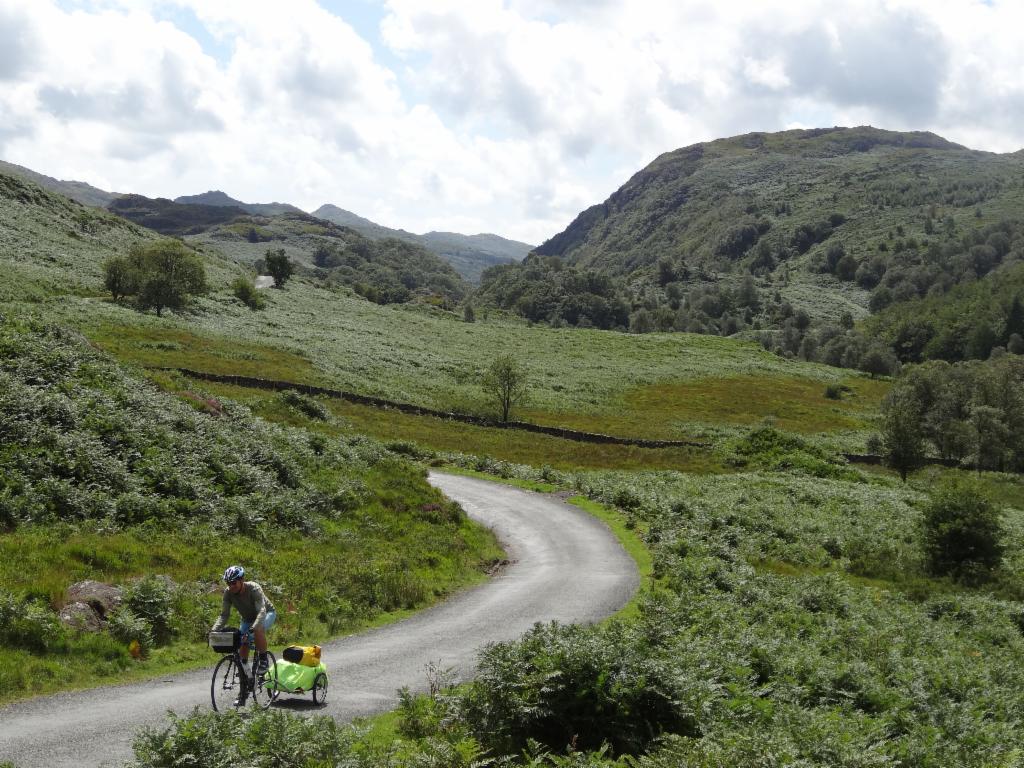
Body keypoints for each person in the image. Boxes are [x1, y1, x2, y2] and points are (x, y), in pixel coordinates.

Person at [211, 565, 276, 678]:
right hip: (247, 619)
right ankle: (244, 672)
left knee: (257, 629)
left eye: (234, 583)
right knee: (242, 639)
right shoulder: (228, 593)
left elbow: (261, 611)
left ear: (242, 580)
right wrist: (214, 630)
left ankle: (263, 660)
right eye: (228, 583)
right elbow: (224, 615)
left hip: (267, 613)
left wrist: (254, 627)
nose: (231, 586)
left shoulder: (254, 588)